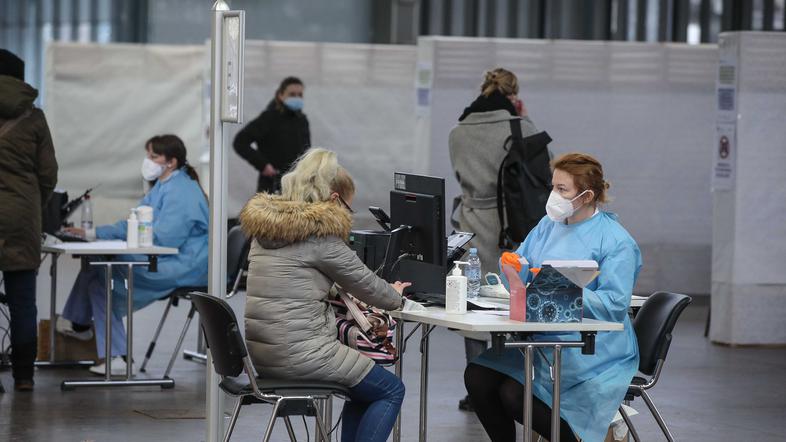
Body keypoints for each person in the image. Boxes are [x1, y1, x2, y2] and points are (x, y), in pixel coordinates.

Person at [464, 153, 641, 442]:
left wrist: (566, 289)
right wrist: (513, 267)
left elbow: (614, 305)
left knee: (513, 393)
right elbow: (522, 263)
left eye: (562, 190)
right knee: (478, 376)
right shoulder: (549, 225)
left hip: (592, 348)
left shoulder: (616, 241)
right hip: (543, 336)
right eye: (553, 186)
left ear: (586, 196)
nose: (553, 196)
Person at [239, 148, 409, 442]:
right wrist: (396, 295)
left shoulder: (266, 231)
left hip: (264, 354)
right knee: (391, 389)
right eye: (348, 207)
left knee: (365, 389)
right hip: (302, 355)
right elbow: (371, 288)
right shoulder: (321, 237)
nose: (348, 215)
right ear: (333, 200)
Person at [56, 135, 208, 375]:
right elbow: (134, 223)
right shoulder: (164, 186)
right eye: (148, 155)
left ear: (171, 162)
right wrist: (92, 233)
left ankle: (110, 350)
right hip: (168, 257)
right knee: (96, 267)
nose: (148, 161)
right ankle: (81, 326)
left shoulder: (182, 191)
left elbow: (167, 238)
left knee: (102, 278)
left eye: (154, 156)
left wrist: (129, 239)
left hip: (184, 265)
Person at [449, 67, 539, 410]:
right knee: (509, 303)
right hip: (509, 226)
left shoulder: (458, 131)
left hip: (470, 221)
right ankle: (507, 380)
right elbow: (538, 172)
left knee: (472, 306)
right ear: (514, 95)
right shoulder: (520, 126)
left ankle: (476, 386)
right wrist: (524, 118)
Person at [0, 49, 58, 391]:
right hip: (22, 217)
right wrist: (34, 204)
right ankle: (24, 376)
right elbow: (48, 173)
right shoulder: (34, 118)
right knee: (23, 301)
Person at [233, 76, 311, 193]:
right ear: (280, 95)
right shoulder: (269, 118)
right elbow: (240, 142)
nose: (297, 98)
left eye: (300, 95)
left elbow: (306, 151)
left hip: (298, 187)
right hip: (272, 186)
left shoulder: (302, 120)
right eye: (292, 94)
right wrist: (263, 165)